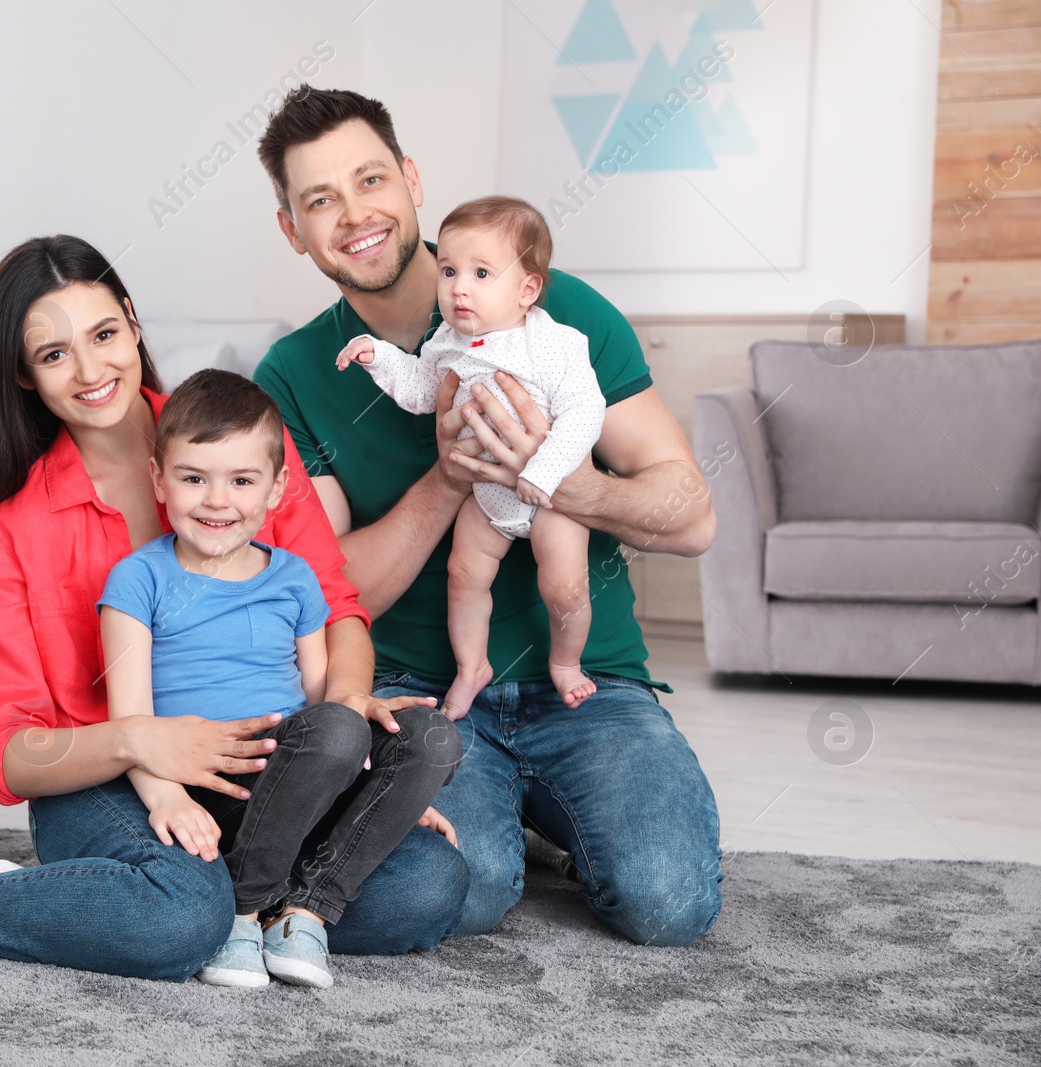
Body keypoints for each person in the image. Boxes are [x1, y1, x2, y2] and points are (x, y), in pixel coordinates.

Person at [0, 234, 467, 979]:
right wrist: (141, 743)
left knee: (426, 883)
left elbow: (336, 607)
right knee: (184, 915)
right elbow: (6, 752)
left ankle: (105, 902)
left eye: (104, 333)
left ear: (134, 322)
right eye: (53, 353)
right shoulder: (17, 529)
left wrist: (352, 766)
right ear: (24, 374)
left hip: (265, 771)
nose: (90, 368)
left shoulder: (238, 444)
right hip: (103, 786)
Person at [251, 86, 724, 946]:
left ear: (412, 179)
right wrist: (450, 476)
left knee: (668, 900)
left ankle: (555, 810)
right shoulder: (290, 374)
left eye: (370, 180)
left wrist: (549, 477)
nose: (355, 215)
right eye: (320, 200)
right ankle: (517, 817)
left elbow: (691, 518)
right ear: (292, 228)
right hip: (420, 695)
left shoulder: (558, 311)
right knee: (459, 896)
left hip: (590, 683)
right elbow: (321, 592)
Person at [99, 368, 459, 989]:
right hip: (214, 783)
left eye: (242, 481)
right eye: (193, 478)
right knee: (339, 734)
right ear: (160, 479)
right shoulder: (139, 580)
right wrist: (165, 796)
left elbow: (324, 700)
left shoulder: (294, 578)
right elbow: (129, 720)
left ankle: (307, 911)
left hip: (300, 777)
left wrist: (393, 794)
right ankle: (240, 910)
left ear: (276, 489)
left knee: (429, 736)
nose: (218, 501)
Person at [337, 195, 605, 714]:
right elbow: (419, 391)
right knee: (463, 576)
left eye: (482, 273)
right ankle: (471, 666)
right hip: (485, 497)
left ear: (527, 290)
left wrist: (546, 472)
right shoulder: (446, 342)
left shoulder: (553, 345)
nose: (459, 287)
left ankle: (567, 662)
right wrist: (380, 356)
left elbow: (585, 412)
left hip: (551, 497)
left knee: (565, 583)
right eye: (449, 271)